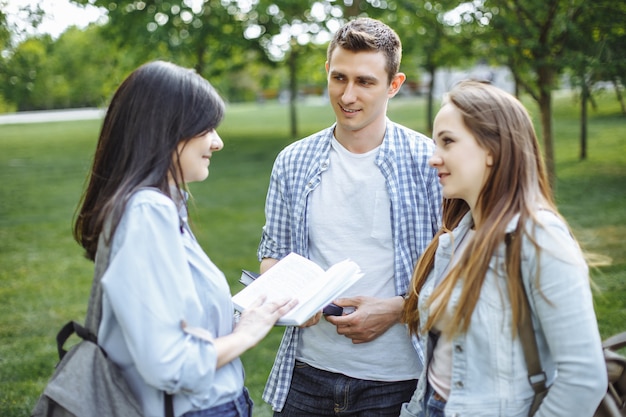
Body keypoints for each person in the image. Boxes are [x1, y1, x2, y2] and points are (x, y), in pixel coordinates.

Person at [73, 60, 297, 417]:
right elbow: (169, 363)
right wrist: (246, 335)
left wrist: (235, 323)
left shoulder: (161, 206)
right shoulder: (148, 213)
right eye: (206, 128)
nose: (218, 142)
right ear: (166, 130)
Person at [257, 17, 443, 416]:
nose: (348, 95)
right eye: (339, 77)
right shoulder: (292, 161)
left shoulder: (429, 163)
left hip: (397, 379)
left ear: (394, 85)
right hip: (306, 374)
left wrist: (398, 309)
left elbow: (459, 268)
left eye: (365, 82)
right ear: (327, 71)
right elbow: (273, 254)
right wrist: (289, 300)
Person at [400, 80, 607, 417]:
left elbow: (583, 379)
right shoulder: (458, 236)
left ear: (492, 150)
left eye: (448, 142)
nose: (433, 159)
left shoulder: (537, 237)